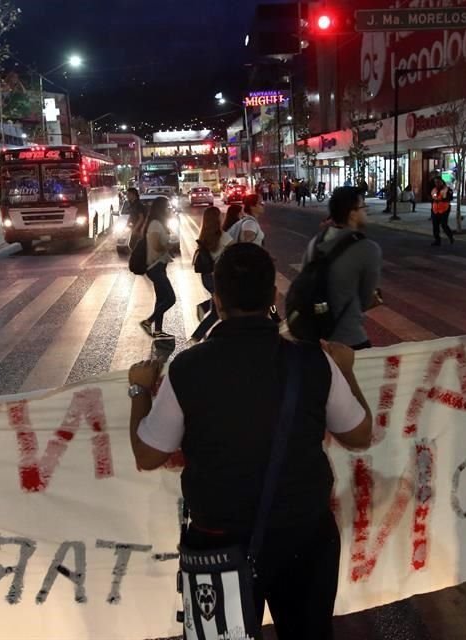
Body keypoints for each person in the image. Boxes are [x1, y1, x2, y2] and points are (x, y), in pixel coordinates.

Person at [128, 242, 373, 638]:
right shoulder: (314, 361)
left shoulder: (188, 369)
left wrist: (139, 391)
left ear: (217, 300)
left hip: (217, 543)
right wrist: (345, 370)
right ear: (272, 297)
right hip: (306, 540)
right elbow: (360, 436)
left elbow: (148, 455)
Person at [302, 186, 382, 350]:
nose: (366, 210)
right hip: (349, 338)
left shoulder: (315, 243)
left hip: (315, 339)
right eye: (363, 207)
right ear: (352, 213)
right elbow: (365, 301)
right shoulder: (367, 248)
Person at [190, 206, 232, 342]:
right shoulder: (224, 237)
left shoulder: (203, 236)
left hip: (207, 277)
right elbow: (235, 252)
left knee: (217, 309)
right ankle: (197, 338)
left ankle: (198, 334)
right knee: (220, 310)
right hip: (219, 278)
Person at [138, 197, 177, 339]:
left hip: (159, 266)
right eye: (167, 207)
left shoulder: (159, 223)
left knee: (161, 299)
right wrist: (168, 246)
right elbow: (155, 245)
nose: (168, 209)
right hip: (155, 267)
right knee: (171, 298)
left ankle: (158, 330)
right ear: (161, 208)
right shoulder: (155, 224)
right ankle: (148, 322)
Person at [430, 178, 455, 246]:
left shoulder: (447, 189)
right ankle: (437, 240)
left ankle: (450, 237)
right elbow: (432, 199)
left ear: (442, 182)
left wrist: (444, 199)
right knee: (435, 226)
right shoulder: (434, 190)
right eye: (436, 182)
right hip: (435, 210)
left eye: (438, 182)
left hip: (444, 210)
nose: (437, 183)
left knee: (444, 225)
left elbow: (450, 198)